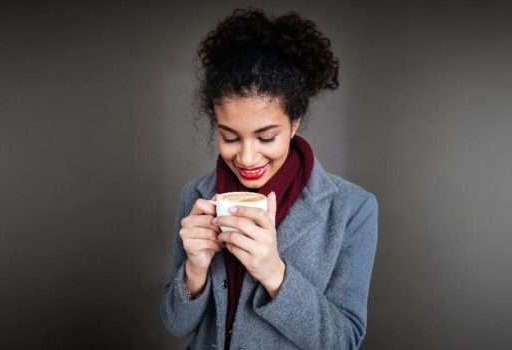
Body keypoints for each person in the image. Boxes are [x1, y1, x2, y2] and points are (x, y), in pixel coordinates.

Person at [161, 8, 378, 350]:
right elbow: (175, 323)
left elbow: (344, 341)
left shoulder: (352, 208)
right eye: (230, 137)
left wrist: (275, 274)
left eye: (266, 138)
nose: (247, 158)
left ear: (295, 122)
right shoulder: (197, 195)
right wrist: (195, 271)